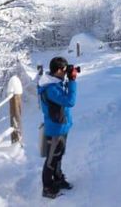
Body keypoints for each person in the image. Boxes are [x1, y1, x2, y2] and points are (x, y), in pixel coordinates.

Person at [37, 56, 78, 199]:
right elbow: (70, 101)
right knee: (51, 159)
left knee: (58, 156)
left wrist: (68, 80)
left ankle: (58, 179)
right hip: (55, 129)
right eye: (65, 70)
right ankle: (47, 188)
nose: (67, 72)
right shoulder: (51, 88)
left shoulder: (56, 82)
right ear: (59, 70)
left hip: (62, 126)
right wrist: (72, 81)